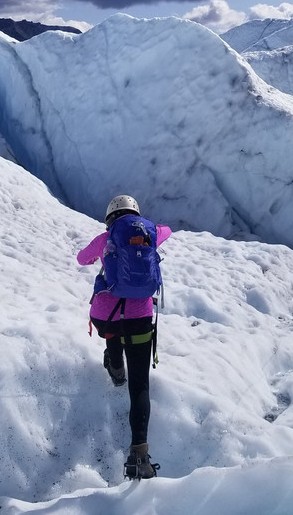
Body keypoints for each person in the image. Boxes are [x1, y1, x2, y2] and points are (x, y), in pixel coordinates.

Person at [77, 194, 171, 480]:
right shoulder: (150, 233)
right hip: (141, 318)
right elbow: (166, 231)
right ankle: (138, 456)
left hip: (106, 314)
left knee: (113, 333)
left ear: (110, 219)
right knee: (140, 384)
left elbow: (81, 259)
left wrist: (103, 251)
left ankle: (116, 368)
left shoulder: (105, 239)